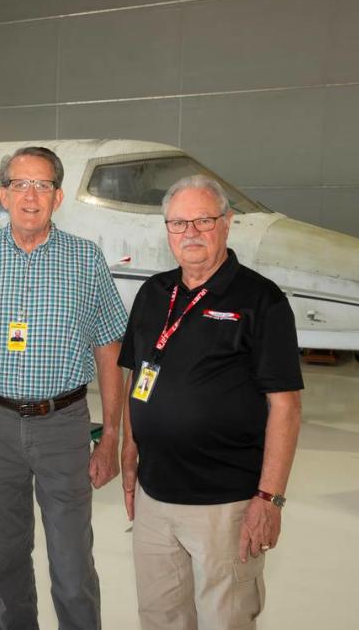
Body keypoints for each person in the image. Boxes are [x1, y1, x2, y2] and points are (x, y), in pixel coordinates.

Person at [0, 146, 128, 630]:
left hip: (64, 426)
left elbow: (110, 352)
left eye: (42, 185)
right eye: (20, 184)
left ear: (58, 197)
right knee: (7, 558)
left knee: (71, 564)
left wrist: (110, 438)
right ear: (3, 194)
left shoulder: (86, 260)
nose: (31, 196)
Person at [119, 174, 303, 629]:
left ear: (227, 223)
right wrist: (128, 445)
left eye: (203, 220)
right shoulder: (152, 294)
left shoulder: (262, 300)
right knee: (160, 617)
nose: (191, 233)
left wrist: (270, 498)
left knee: (226, 619)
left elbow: (286, 406)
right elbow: (136, 374)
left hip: (226, 504)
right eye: (178, 224)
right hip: (155, 497)